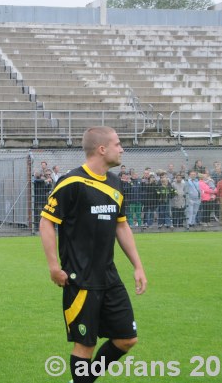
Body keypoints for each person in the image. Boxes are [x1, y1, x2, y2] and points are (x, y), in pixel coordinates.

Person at [39, 126, 147, 383]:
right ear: (102, 149)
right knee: (84, 347)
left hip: (109, 276)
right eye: (118, 144)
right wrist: (54, 266)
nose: (122, 149)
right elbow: (46, 222)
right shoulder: (71, 182)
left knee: (126, 339)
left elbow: (122, 225)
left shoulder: (115, 183)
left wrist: (138, 266)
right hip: (80, 278)